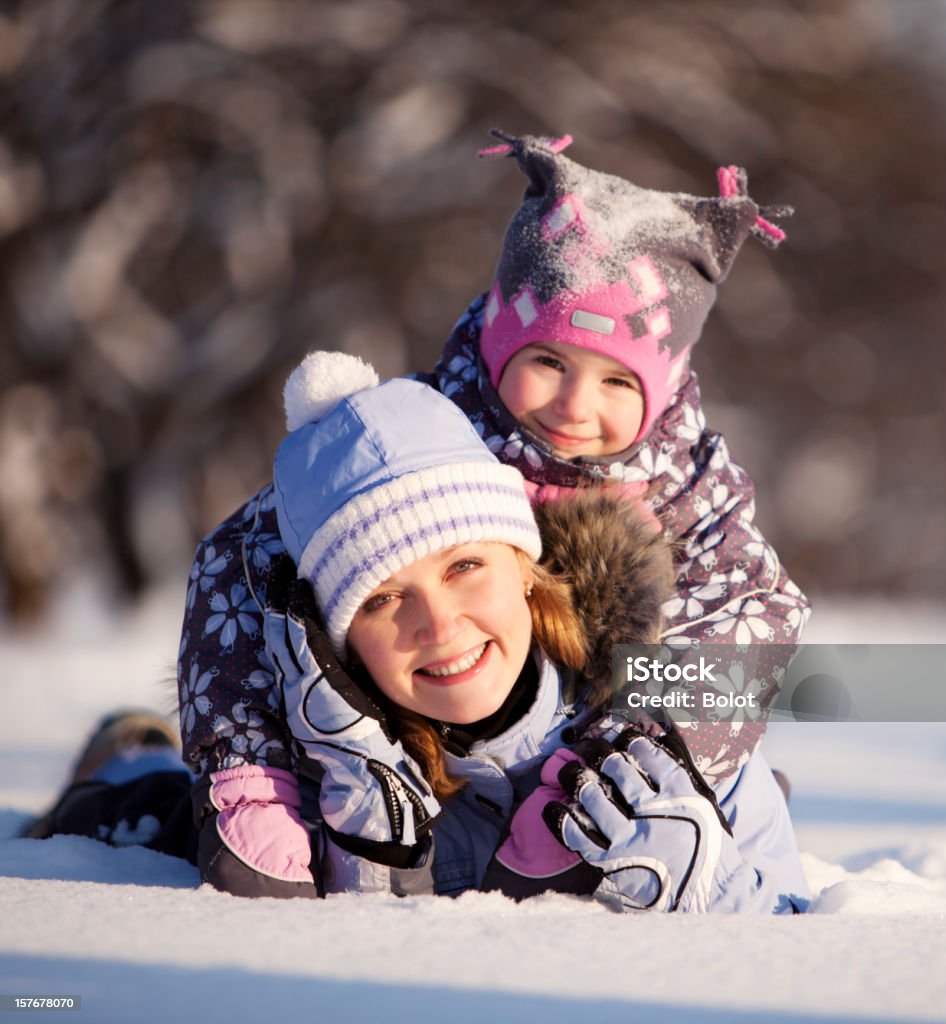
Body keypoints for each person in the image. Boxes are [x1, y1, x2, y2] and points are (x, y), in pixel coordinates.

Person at [31, 355, 807, 912]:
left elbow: (800, 938)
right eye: (381, 599)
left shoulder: (658, 722)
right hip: (177, 805)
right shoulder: (305, 743)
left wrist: (716, 890)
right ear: (342, 637)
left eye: (465, 565)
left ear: (527, 567)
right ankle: (133, 753)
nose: (438, 625)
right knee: (147, 816)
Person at [178, 132, 809, 808]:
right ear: (499, 342)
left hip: (586, 763)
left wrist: (640, 765)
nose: (575, 405)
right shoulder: (418, 439)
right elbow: (238, 564)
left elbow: (747, 625)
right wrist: (247, 765)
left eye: (618, 383)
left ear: (664, 388)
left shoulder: (687, 491)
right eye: (549, 362)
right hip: (414, 749)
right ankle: (130, 775)